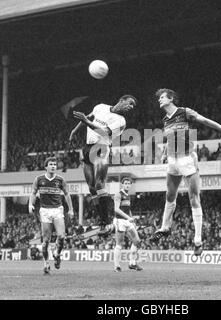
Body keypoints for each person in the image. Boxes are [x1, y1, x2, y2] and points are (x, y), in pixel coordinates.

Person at [149, 88, 221, 256]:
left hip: (187, 159)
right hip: (173, 161)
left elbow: (206, 121)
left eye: (162, 97)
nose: (159, 100)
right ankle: (164, 227)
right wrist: (163, 153)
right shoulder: (165, 119)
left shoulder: (184, 112)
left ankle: (198, 240)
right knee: (169, 195)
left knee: (193, 198)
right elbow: (170, 139)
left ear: (171, 98)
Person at [69, 95, 137, 235]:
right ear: (121, 100)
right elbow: (86, 118)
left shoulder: (121, 121)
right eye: (130, 103)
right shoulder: (100, 107)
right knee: (92, 187)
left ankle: (106, 222)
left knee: (100, 184)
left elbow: (103, 132)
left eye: (132, 106)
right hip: (87, 147)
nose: (130, 107)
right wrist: (74, 131)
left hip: (102, 148)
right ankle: (102, 220)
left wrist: (86, 121)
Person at [29, 156, 74, 275]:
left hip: (57, 210)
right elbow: (33, 193)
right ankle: (46, 264)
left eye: (55, 164)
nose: (54, 166)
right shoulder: (39, 179)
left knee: (62, 236)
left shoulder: (60, 179)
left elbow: (67, 194)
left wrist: (71, 209)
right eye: (51, 164)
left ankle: (57, 254)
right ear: (46, 167)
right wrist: (30, 204)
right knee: (46, 241)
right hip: (45, 211)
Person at [113, 177, 143, 272]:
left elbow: (127, 209)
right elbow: (116, 209)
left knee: (137, 241)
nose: (127, 185)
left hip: (127, 221)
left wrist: (131, 218)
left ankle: (132, 263)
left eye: (129, 183)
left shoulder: (128, 196)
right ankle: (117, 266)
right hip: (120, 221)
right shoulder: (118, 195)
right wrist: (128, 217)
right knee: (119, 244)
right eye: (125, 183)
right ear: (122, 184)